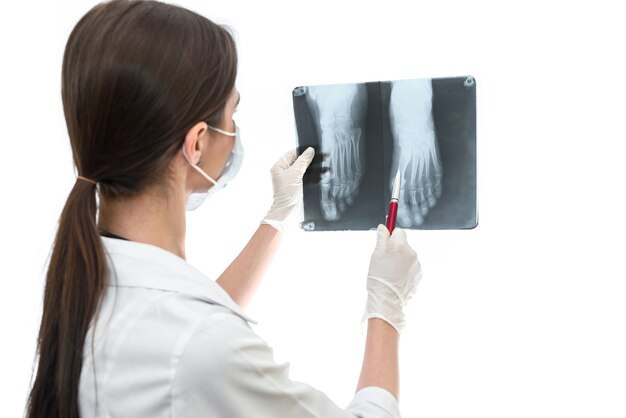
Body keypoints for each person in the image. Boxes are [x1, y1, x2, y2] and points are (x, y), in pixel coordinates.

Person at [25, 1, 422, 417]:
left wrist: (276, 219)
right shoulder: (201, 345)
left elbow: (183, 323)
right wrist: (386, 309)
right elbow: (196, 349)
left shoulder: (93, 275)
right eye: (232, 112)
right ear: (196, 143)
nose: (233, 131)